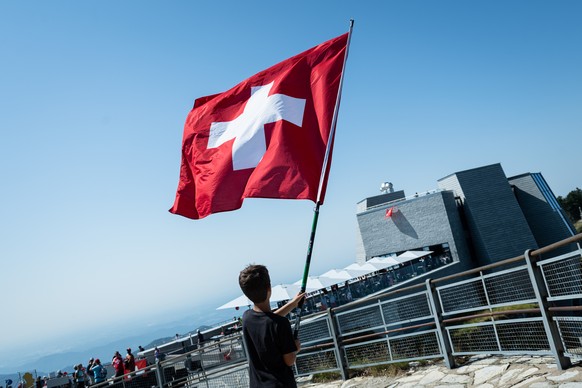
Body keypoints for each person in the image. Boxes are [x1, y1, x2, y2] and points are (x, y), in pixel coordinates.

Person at [239, 264, 304, 387]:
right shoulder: (281, 324)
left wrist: (293, 304)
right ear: (269, 289)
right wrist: (296, 349)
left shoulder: (247, 318)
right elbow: (289, 361)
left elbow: (267, 319)